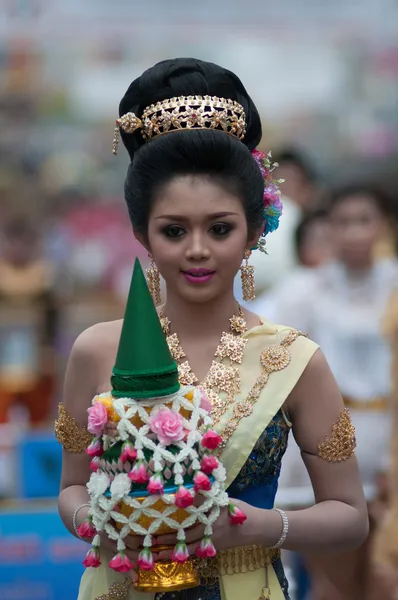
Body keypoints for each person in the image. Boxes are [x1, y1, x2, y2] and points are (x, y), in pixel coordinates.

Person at [56, 59, 368, 600]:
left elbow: (349, 516)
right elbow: (70, 487)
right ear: (142, 234)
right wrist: (100, 521)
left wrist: (261, 526)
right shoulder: (95, 349)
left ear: (253, 230)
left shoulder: (295, 359)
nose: (197, 249)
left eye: (219, 228)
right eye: (174, 230)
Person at [271, 184, 398, 599]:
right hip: (330, 441)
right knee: (334, 580)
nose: (354, 232)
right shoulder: (304, 290)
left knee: (384, 574)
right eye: (342, 222)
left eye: (364, 220)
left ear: (383, 225)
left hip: (390, 437)